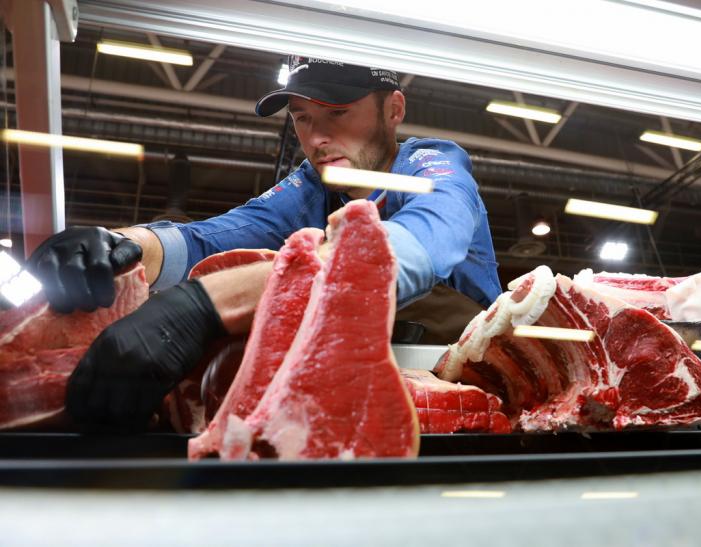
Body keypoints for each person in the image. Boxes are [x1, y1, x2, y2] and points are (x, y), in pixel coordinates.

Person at [28, 56, 502, 428]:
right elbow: (209, 237)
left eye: (338, 113)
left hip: (467, 396)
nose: (317, 138)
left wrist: (204, 306)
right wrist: (121, 245)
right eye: (301, 118)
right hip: (353, 392)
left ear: (393, 110)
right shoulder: (313, 185)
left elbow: (411, 248)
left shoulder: (431, 166)